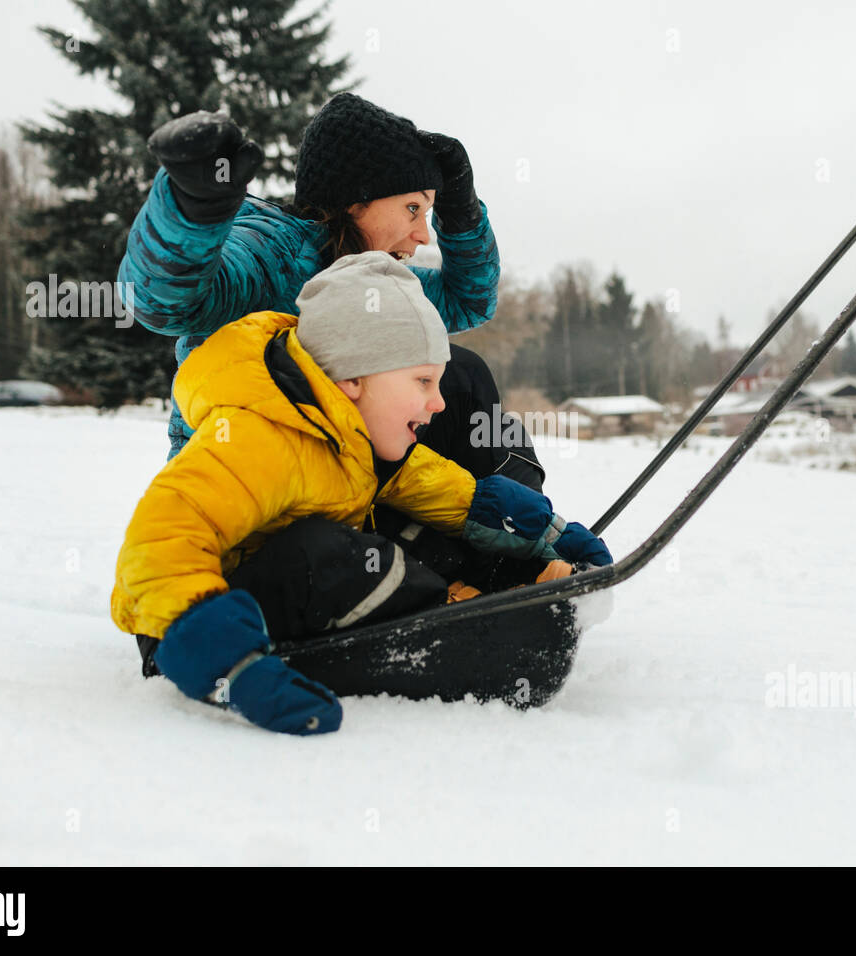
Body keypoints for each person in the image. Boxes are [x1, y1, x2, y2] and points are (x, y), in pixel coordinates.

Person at [111, 253, 611, 737]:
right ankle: (460, 622)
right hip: (191, 629)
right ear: (352, 378)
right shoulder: (257, 434)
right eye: (422, 381)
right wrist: (227, 662)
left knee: (413, 532)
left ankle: (516, 583)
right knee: (330, 552)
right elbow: (159, 539)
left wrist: (542, 530)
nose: (438, 403)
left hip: (280, 605)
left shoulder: (350, 434)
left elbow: (433, 485)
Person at [119, 92, 544, 491]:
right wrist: (192, 208)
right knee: (454, 374)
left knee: (460, 378)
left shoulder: (375, 280)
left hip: (334, 483)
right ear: (354, 200)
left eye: (430, 212)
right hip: (244, 496)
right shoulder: (272, 253)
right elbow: (163, 302)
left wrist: (463, 211)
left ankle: (515, 528)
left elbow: (468, 300)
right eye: (413, 208)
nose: (422, 235)